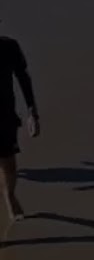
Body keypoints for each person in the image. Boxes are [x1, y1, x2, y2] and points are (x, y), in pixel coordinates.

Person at [1, 32, 40, 221]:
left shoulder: (9, 47)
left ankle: (9, 195)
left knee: (9, 165)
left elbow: (23, 77)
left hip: (4, 115)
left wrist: (32, 112)